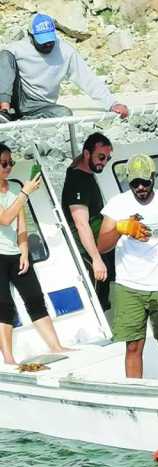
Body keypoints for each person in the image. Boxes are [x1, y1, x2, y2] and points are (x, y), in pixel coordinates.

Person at [97, 154, 158, 380]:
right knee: (133, 346)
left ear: (153, 177)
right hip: (128, 286)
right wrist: (121, 228)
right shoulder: (117, 205)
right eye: (134, 183)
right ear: (128, 181)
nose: (140, 187)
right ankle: (134, 393)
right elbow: (102, 245)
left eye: (145, 182)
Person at [0, 143, 69, 364]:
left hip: (16, 253)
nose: (9, 167)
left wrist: (24, 251)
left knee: (34, 298)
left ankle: (56, 346)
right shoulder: (17, 191)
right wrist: (25, 192)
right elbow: (4, 219)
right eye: (4, 163)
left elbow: (21, 223)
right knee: (4, 305)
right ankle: (9, 358)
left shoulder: (12, 188)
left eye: (11, 162)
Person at [0, 13, 128, 123]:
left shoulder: (65, 52)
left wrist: (112, 104)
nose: (48, 44)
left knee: (64, 113)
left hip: (41, 106)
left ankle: (21, 121)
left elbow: (88, 80)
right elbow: (3, 74)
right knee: (5, 56)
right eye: (43, 41)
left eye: (50, 40)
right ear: (30, 36)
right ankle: (4, 112)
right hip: (17, 98)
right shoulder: (16, 49)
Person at [61, 132, 115, 311]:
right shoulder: (78, 182)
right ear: (86, 154)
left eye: (107, 158)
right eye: (101, 157)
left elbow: (76, 163)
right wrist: (96, 259)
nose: (104, 162)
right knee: (99, 288)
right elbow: (81, 224)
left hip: (99, 239)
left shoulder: (79, 169)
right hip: (87, 249)